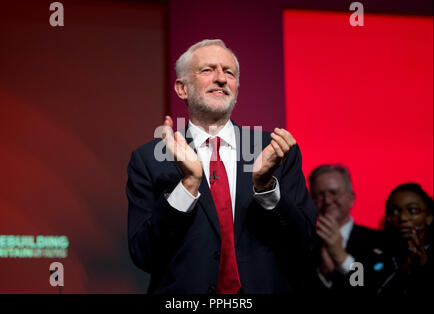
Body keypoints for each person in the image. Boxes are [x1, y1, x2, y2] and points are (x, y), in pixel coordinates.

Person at [126, 39, 317, 294]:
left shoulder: (273, 151)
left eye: (229, 72)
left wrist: (266, 188)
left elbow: (304, 244)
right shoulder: (149, 159)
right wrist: (188, 185)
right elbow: (144, 254)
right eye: (207, 70)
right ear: (182, 89)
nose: (221, 79)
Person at [308, 164, 380, 294]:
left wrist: (342, 258)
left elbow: (373, 287)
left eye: (334, 193)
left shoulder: (377, 240)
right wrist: (324, 274)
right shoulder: (302, 243)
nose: (327, 200)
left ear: (351, 198)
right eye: (319, 195)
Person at [366, 183, 433, 296]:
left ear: (429, 217)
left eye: (412, 210)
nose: (402, 218)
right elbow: (354, 288)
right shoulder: (368, 254)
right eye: (393, 212)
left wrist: (423, 270)